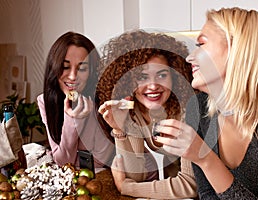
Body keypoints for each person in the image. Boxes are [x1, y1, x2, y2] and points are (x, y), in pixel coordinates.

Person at [148, 7, 258, 199]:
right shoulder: (199, 108)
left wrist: (205, 158)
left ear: (239, 50)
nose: (189, 57)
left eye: (201, 44)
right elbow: (207, 195)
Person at [96, 30, 198, 199]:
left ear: (175, 76)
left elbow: (189, 185)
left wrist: (126, 187)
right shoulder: (134, 110)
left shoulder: (188, 111)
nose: (153, 86)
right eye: (142, 77)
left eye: (162, 75)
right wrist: (120, 130)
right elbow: (138, 175)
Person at [37, 31, 115, 171]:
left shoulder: (103, 99)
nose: (73, 76)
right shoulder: (45, 101)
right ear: (53, 68)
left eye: (82, 68)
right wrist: (72, 120)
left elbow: (98, 161)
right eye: (65, 67)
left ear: (91, 72)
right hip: (72, 182)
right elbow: (63, 162)